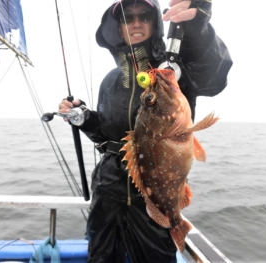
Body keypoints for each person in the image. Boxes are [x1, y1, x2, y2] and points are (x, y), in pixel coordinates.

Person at [59, 0, 232, 262]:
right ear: (118, 29)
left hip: (149, 197)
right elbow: (105, 135)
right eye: (128, 18)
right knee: (100, 256)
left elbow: (213, 75)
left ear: (155, 23)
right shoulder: (110, 80)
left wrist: (198, 27)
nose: (136, 22)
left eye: (144, 16)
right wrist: (84, 118)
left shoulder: (173, 71)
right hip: (107, 188)